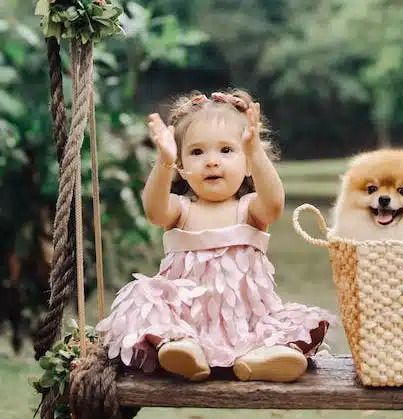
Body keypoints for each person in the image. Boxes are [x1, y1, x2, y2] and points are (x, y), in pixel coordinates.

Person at [95, 89, 338, 382]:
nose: (212, 161)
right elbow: (153, 211)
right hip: (187, 322)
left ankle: (260, 357)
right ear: (182, 167)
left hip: (247, 324)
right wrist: (164, 162)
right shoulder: (180, 210)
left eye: (226, 150)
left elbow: (274, 204)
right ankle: (181, 349)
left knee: (292, 325)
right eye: (197, 152)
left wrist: (255, 151)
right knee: (140, 295)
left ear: (246, 162)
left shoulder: (249, 209)